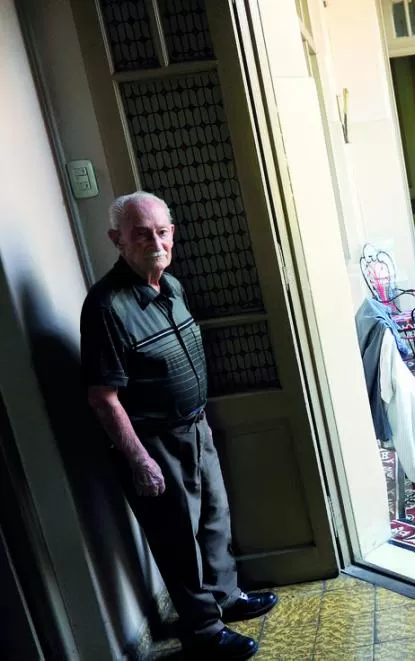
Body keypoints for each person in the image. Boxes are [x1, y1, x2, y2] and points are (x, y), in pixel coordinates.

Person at [81, 192, 278, 659]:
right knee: (178, 541)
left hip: (194, 426)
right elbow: (103, 398)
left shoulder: (170, 286)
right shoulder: (107, 307)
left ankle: (226, 599)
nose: (156, 241)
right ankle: (204, 631)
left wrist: (201, 417)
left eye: (162, 231)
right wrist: (140, 460)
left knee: (214, 520)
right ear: (117, 240)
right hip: (154, 442)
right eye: (141, 233)